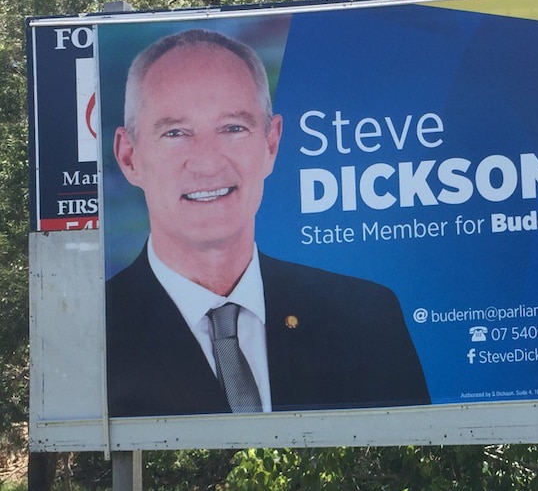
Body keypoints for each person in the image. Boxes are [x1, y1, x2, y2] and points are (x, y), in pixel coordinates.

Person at [106, 29, 429, 417]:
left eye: (233, 128)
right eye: (175, 133)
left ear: (271, 143)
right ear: (129, 157)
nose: (208, 163)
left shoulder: (367, 318)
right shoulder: (90, 334)